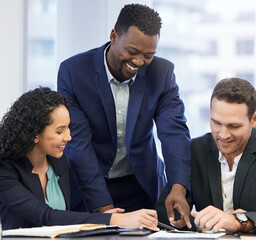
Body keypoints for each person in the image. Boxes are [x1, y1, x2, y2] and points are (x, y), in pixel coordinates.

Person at [57, 3, 191, 228]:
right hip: (88, 186)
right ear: (113, 36)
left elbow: (174, 132)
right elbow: (78, 143)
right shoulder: (73, 72)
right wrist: (105, 209)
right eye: (132, 51)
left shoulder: (162, 73)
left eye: (148, 55)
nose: (139, 62)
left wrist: (178, 186)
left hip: (140, 185)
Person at [0, 87, 159, 230]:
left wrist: (101, 218)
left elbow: (68, 214)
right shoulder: (5, 170)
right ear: (34, 134)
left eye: (69, 127)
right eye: (60, 131)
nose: (68, 137)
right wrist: (113, 219)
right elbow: (45, 216)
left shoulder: (58, 161)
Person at [156, 77, 256, 233]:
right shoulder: (195, 150)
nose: (223, 135)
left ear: (255, 119)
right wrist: (202, 222)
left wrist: (239, 221)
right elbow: (163, 211)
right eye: (216, 123)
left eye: (233, 126)